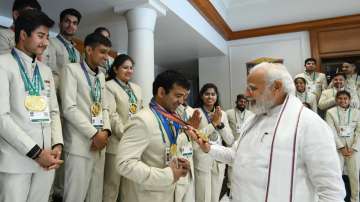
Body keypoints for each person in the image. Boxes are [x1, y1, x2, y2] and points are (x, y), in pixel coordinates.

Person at [191, 62, 346, 202]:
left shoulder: (309, 124)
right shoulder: (253, 120)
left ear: (276, 87)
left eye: (252, 88)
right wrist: (209, 148)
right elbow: (236, 156)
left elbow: (331, 192)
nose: (246, 93)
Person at [0, 10, 63, 202]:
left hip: (46, 160)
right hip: (17, 161)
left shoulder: (44, 70)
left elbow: (53, 110)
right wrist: (36, 153)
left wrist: (57, 144)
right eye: (40, 36)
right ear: (23, 35)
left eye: (47, 37)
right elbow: (2, 118)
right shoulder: (3, 64)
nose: (45, 42)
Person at [116, 70, 194, 202]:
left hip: (168, 194)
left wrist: (178, 161)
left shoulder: (171, 117)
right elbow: (124, 164)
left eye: (184, 97)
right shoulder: (142, 120)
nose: (181, 101)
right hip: (145, 197)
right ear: (161, 92)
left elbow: (166, 148)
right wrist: (167, 175)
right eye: (178, 96)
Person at [60, 33, 112, 202]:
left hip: (99, 143)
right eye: (103, 52)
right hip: (79, 144)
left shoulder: (101, 76)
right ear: (89, 50)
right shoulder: (71, 70)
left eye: (108, 52)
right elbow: (69, 108)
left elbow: (104, 107)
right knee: (75, 196)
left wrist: (105, 132)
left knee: (95, 194)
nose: (106, 57)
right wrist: (94, 134)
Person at [103, 54, 143, 202]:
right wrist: (127, 135)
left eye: (131, 68)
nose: (129, 71)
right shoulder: (109, 86)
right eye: (125, 67)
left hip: (134, 146)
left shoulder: (137, 89)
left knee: (131, 186)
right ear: (115, 69)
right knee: (111, 185)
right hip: (116, 144)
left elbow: (141, 112)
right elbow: (112, 115)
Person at [194, 83, 234, 202]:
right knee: (203, 198)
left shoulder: (223, 114)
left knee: (215, 198)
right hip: (202, 160)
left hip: (218, 161)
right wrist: (213, 124)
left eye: (213, 94)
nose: (210, 97)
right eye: (207, 94)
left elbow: (230, 140)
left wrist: (220, 124)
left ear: (216, 96)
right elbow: (194, 136)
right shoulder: (195, 112)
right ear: (201, 96)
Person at [325, 90, 360, 202]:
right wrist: (340, 147)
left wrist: (354, 147)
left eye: (345, 98)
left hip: (353, 148)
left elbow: (359, 131)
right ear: (336, 100)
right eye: (340, 98)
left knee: (354, 176)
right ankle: (336, 199)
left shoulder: (357, 112)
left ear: (349, 100)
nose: (343, 100)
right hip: (337, 147)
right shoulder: (330, 112)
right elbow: (331, 130)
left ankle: (355, 199)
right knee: (336, 175)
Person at [44, 8, 81, 89]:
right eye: (67, 21)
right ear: (60, 24)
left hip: (72, 93)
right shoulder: (50, 43)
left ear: (76, 27)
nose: (71, 25)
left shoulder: (77, 52)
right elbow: (47, 71)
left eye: (74, 23)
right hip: (55, 91)